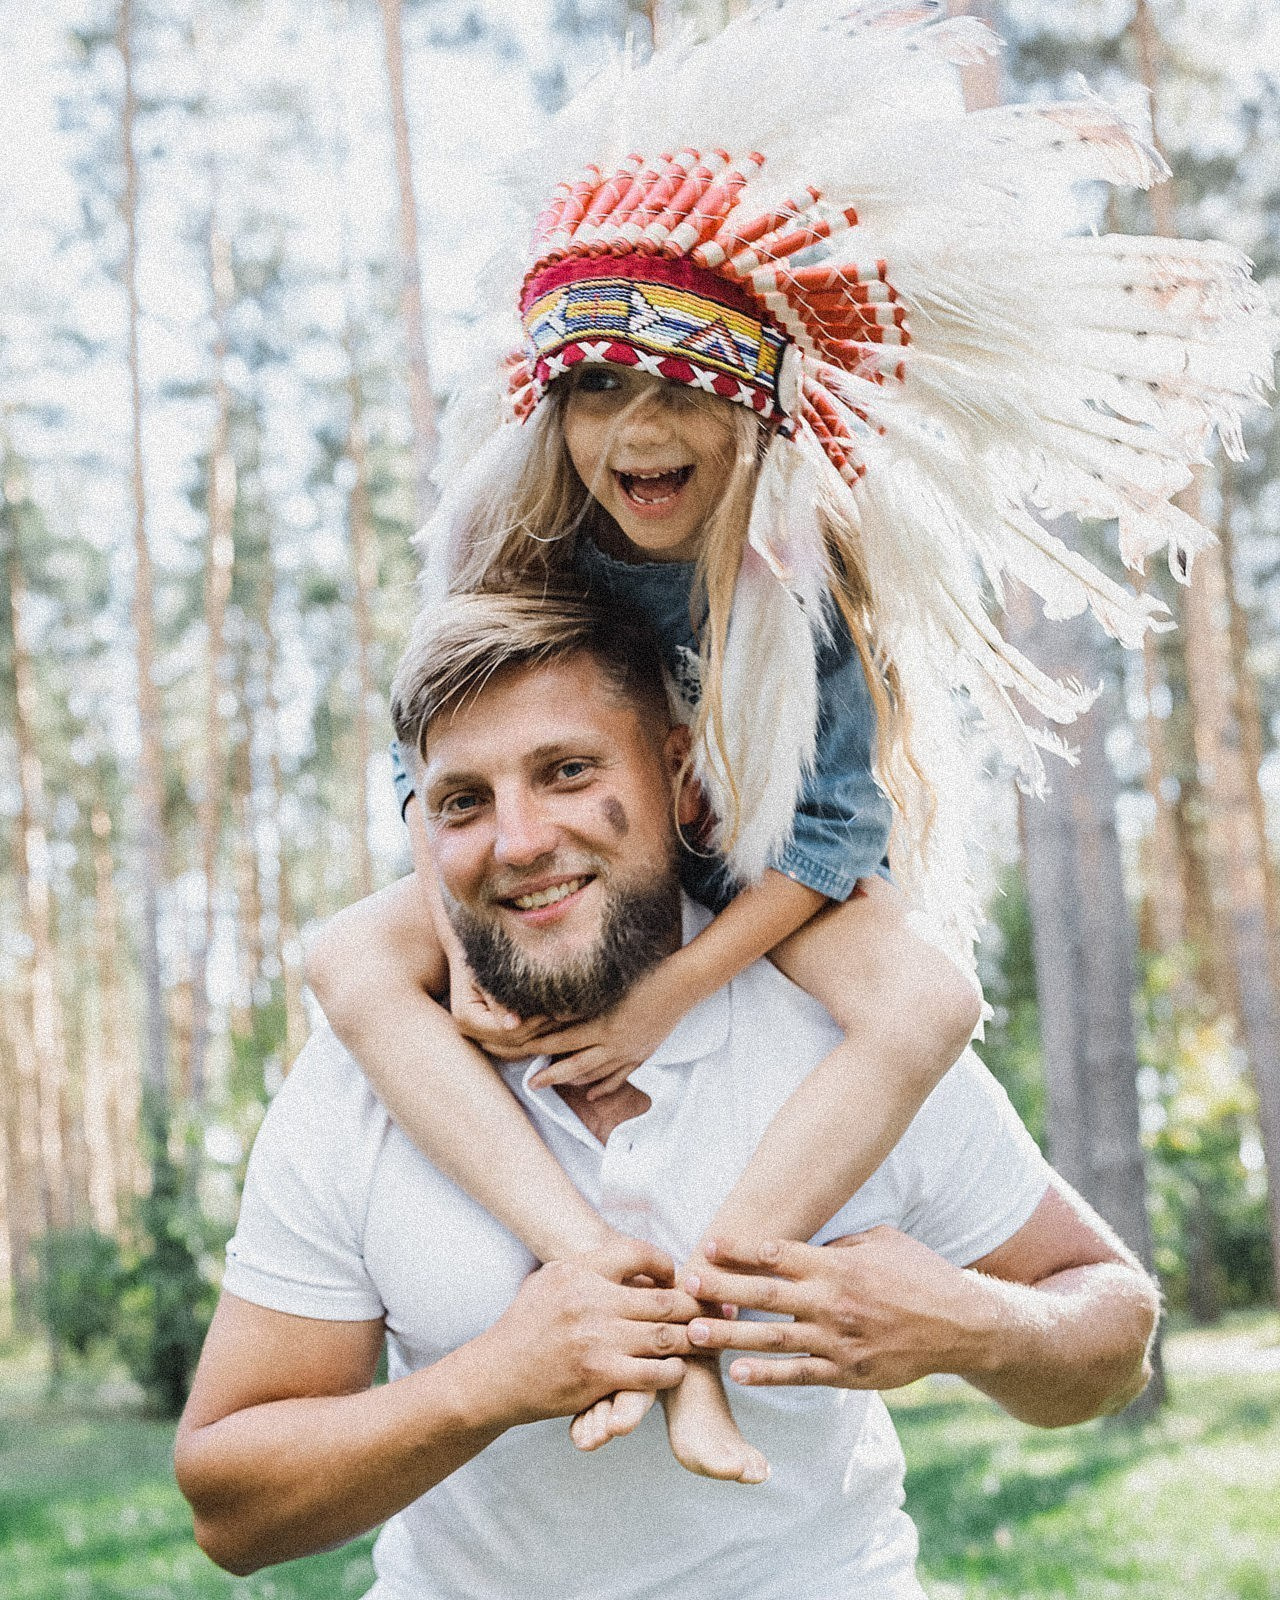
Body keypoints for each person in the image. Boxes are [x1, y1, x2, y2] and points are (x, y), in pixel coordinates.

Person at [305, 2, 1274, 1486]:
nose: (641, 430)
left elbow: (830, 842)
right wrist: (455, 923)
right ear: (555, 406)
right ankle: (599, 1278)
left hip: (749, 855)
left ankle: (713, 1306)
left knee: (927, 1002)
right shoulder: (517, 543)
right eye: (604, 389)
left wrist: (673, 993)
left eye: (688, 389)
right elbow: (427, 759)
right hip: (577, 837)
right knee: (349, 965)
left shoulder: (788, 584)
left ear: (761, 412)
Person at [175, 586, 1161, 1598]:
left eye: (566, 772)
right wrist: (488, 1382)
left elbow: (1112, 1333)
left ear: (679, 777)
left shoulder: (847, 1030)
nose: (517, 841)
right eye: (462, 801)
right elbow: (230, 1508)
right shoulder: (369, 1071)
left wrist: (970, 1325)